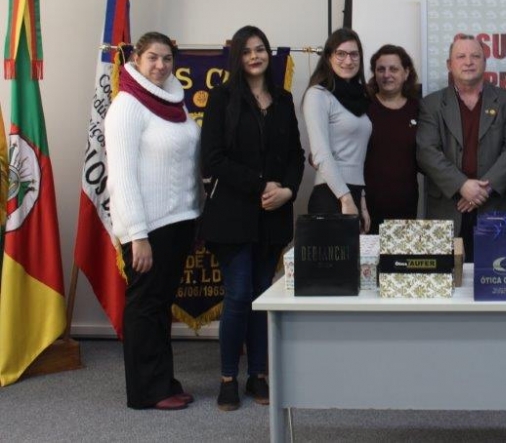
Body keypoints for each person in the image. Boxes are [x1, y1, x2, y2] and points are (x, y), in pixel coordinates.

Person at [199, 25, 305, 411]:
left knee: (263, 296)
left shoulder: (283, 98)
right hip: (232, 214)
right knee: (240, 294)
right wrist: (261, 185)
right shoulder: (222, 97)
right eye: (247, 51)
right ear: (237, 58)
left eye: (260, 49)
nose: (255, 56)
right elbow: (211, 159)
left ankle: (257, 375)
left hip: (273, 214)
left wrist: (288, 191)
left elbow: (295, 155)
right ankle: (228, 377)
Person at [106, 31, 201, 411]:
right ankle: (146, 391)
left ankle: (164, 382)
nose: (160, 66)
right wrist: (137, 236)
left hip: (179, 222)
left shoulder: (172, 100)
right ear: (136, 59)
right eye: (152, 58)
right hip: (148, 227)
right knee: (146, 307)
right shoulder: (127, 106)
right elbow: (122, 176)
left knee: (160, 306)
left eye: (166, 58)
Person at [416, 34, 506, 259]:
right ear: (449, 64)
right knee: (447, 284)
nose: (468, 62)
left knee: (494, 279)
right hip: (448, 208)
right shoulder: (431, 104)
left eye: (475, 56)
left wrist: (483, 190)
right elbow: (427, 152)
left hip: (492, 206)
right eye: (460, 56)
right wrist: (462, 185)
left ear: (485, 61)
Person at [302, 28, 373, 231]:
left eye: (354, 54)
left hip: (355, 192)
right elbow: (321, 154)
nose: (348, 61)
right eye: (340, 54)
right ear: (328, 57)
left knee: (357, 263)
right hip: (331, 194)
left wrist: (362, 202)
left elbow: (357, 157)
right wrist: (346, 199)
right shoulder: (318, 95)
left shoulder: (362, 97)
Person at [364, 44, 420, 232]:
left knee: (400, 260)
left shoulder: (419, 109)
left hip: (406, 205)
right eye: (381, 69)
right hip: (365, 206)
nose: (386, 74)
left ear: (406, 72)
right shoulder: (363, 107)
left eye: (393, 69)